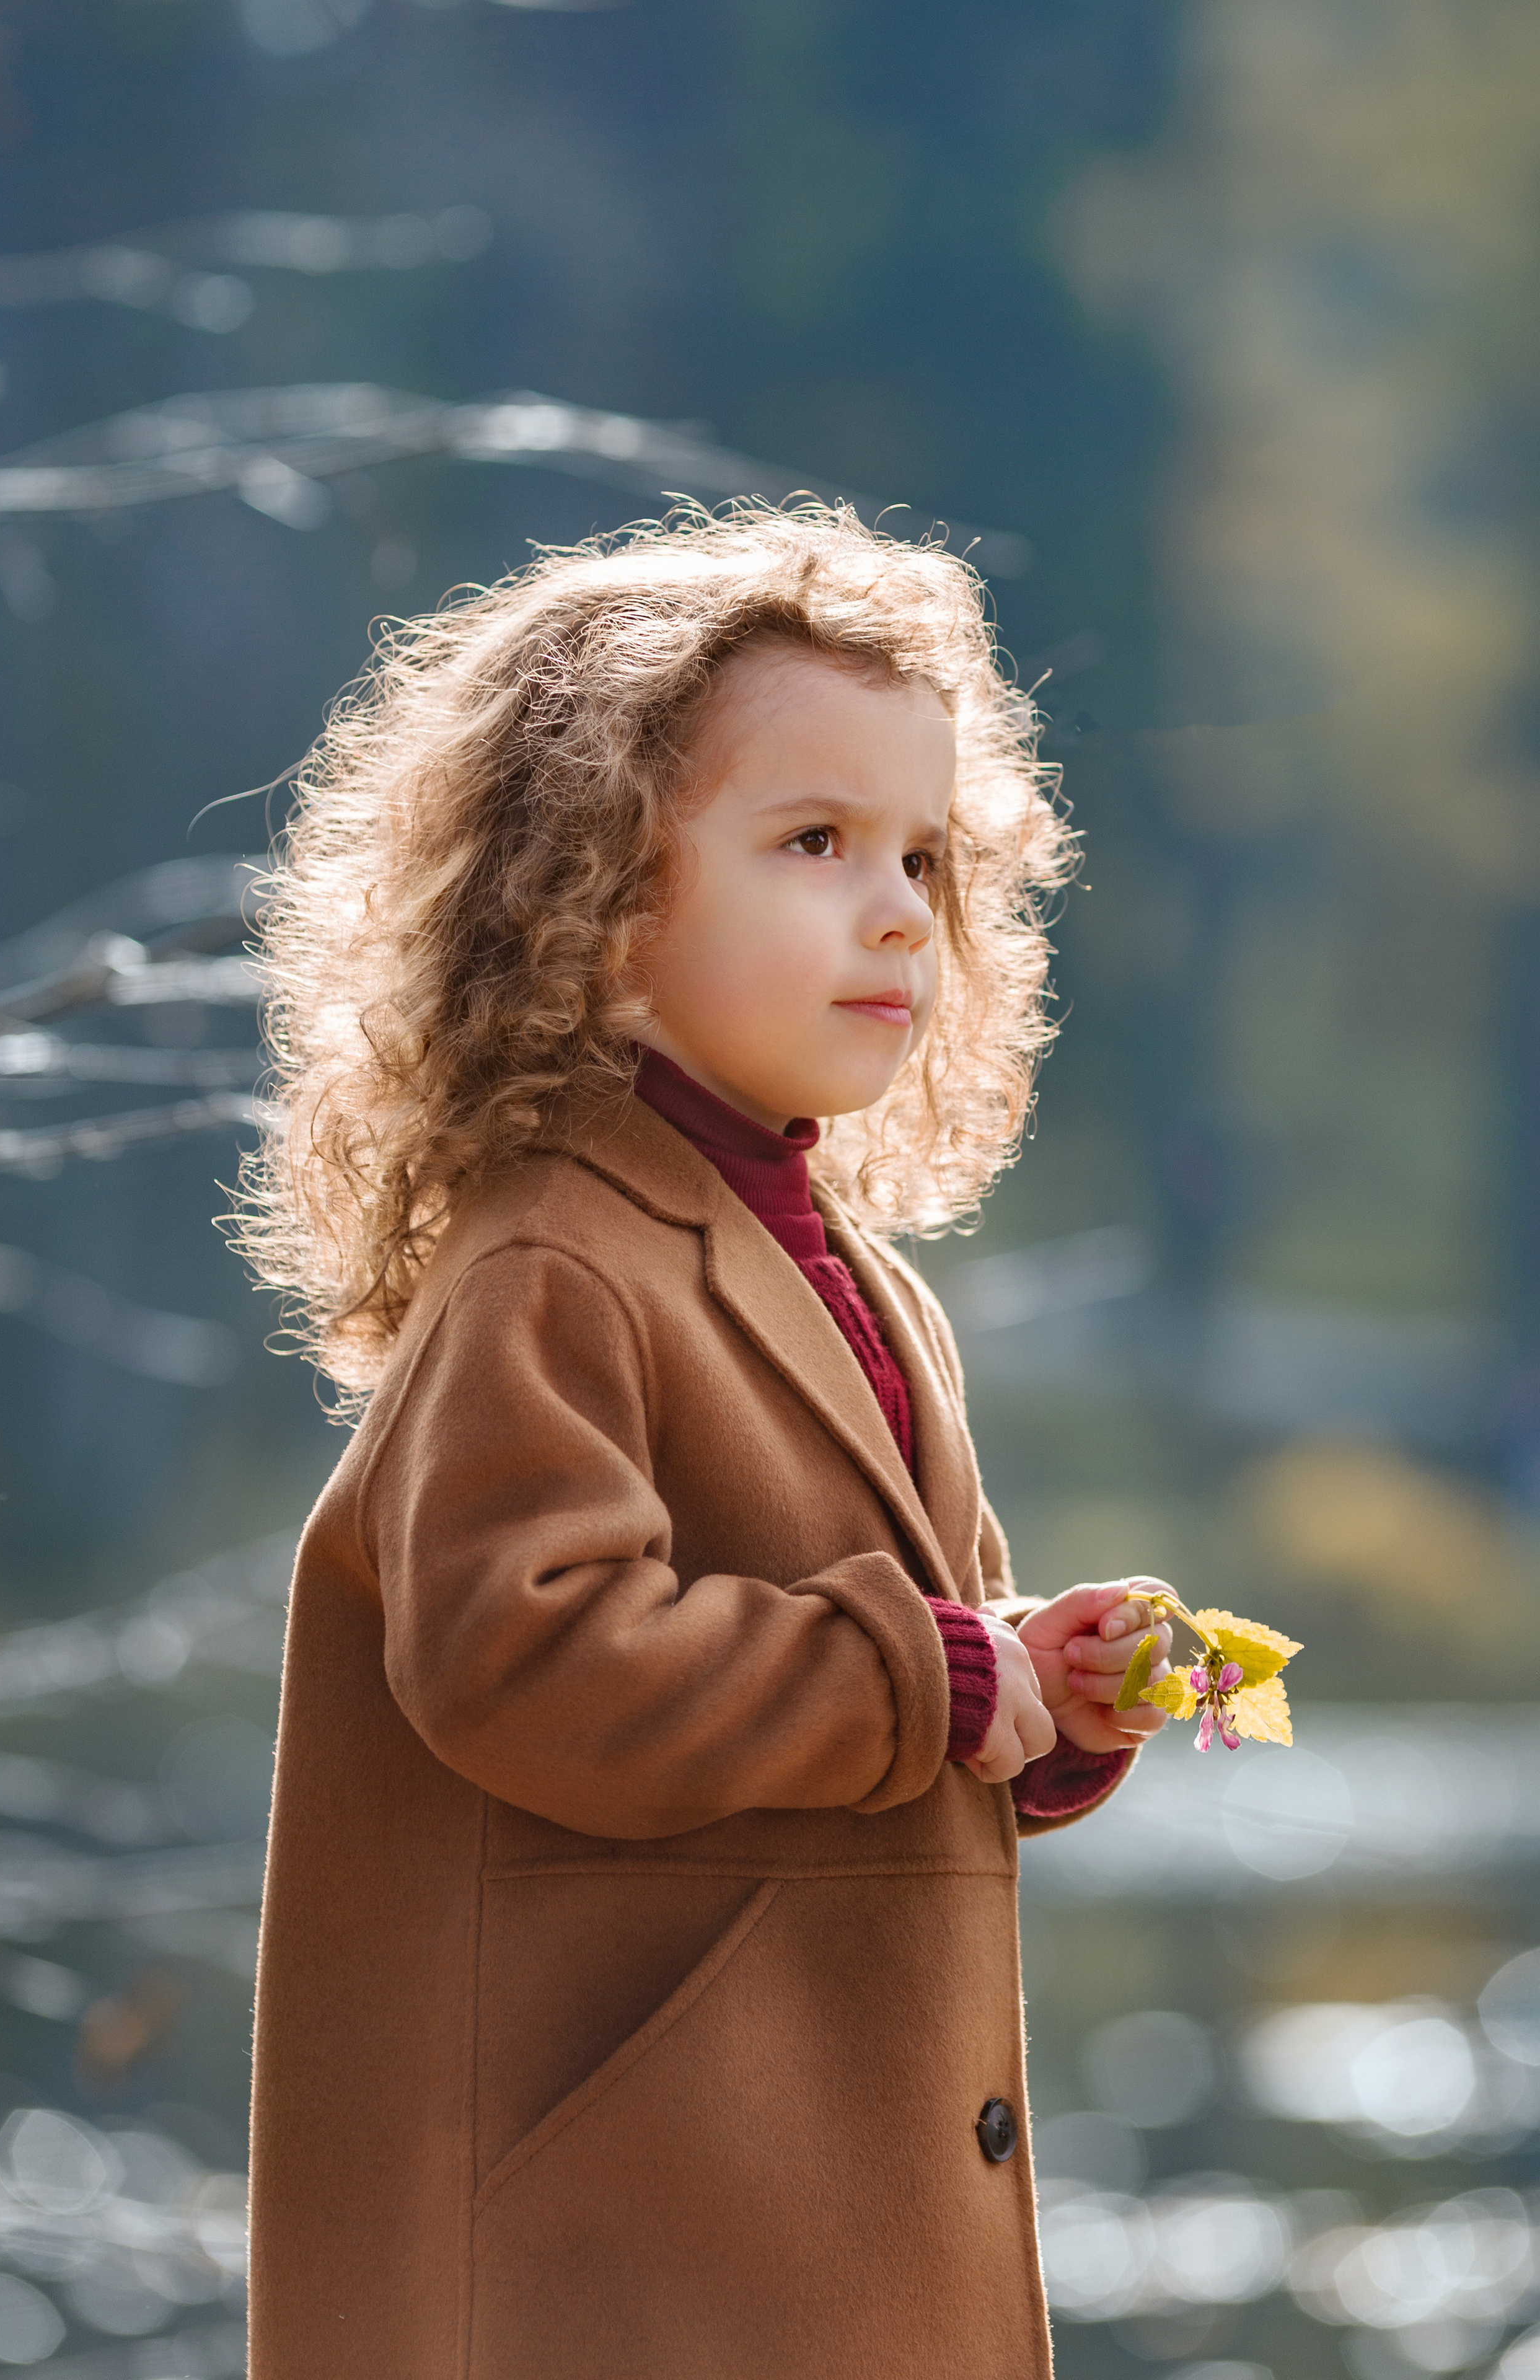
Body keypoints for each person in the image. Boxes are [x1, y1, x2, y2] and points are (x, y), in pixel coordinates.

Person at [237, 503, 1176, 2379]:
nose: (901, 906)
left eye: (924, 854)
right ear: (585, 901)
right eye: (814, 843)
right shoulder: (551, 1262)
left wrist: (1044, 1698)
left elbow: (915, 1698)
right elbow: (530, 1659)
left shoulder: (857, 1278)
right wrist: (929, 1670)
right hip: (618, 2249)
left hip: (791, 2233)